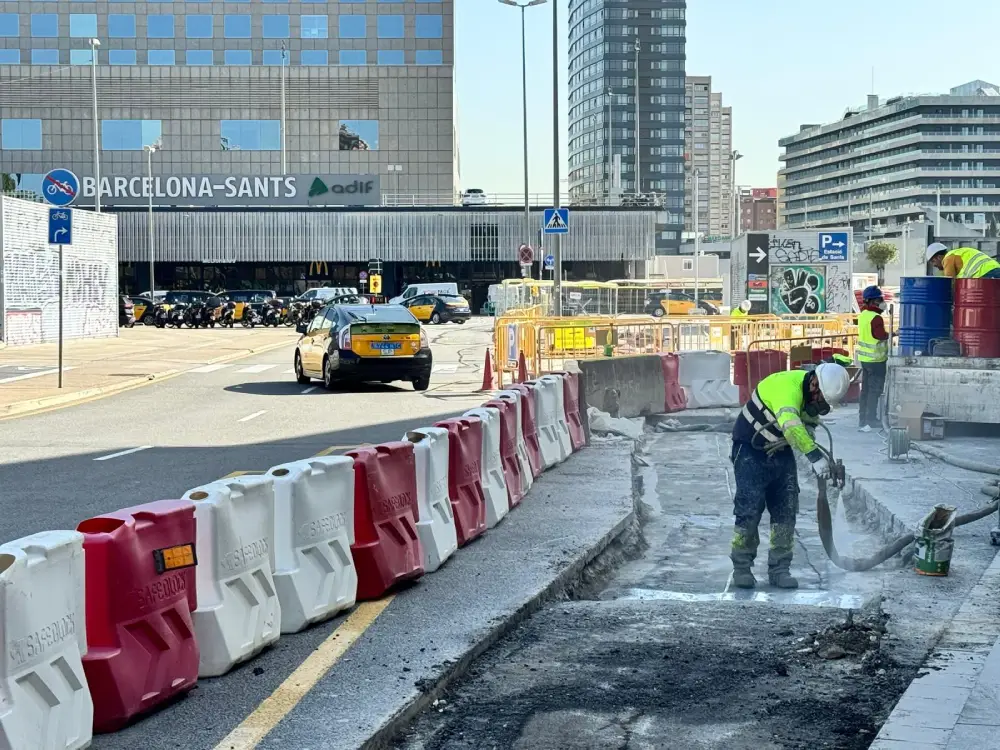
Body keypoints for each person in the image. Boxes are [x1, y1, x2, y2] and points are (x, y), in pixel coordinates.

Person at [730, 363, 851, 590]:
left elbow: (808, 426)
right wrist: (815, 456)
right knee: (749, 509)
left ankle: (779, 568)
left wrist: (810, 441)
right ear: (815, 385)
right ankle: (742, 567)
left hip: (780, 450)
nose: (820, 408)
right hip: (749, 449)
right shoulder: (788, 388)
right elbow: (793, 427)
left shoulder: (811, 397)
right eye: (822, 402)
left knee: (786, 509)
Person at [856, 285, 889, 433]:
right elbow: (880, 336)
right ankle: (871, 419)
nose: (881, 302)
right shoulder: (876, 318)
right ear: (871, 301)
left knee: (866, 390)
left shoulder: (863, 315)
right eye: (879, 300)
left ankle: (862, 419)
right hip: (876, 361)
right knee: (874, 391)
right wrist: (889, 334)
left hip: (865, 359)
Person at [926, 242, 1000, 279]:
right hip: (995, 269)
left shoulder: (948, 258)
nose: (934, 265)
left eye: (933, 261)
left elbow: (950, 282)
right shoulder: (958, 253)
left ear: (939, 257)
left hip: (986, 274)